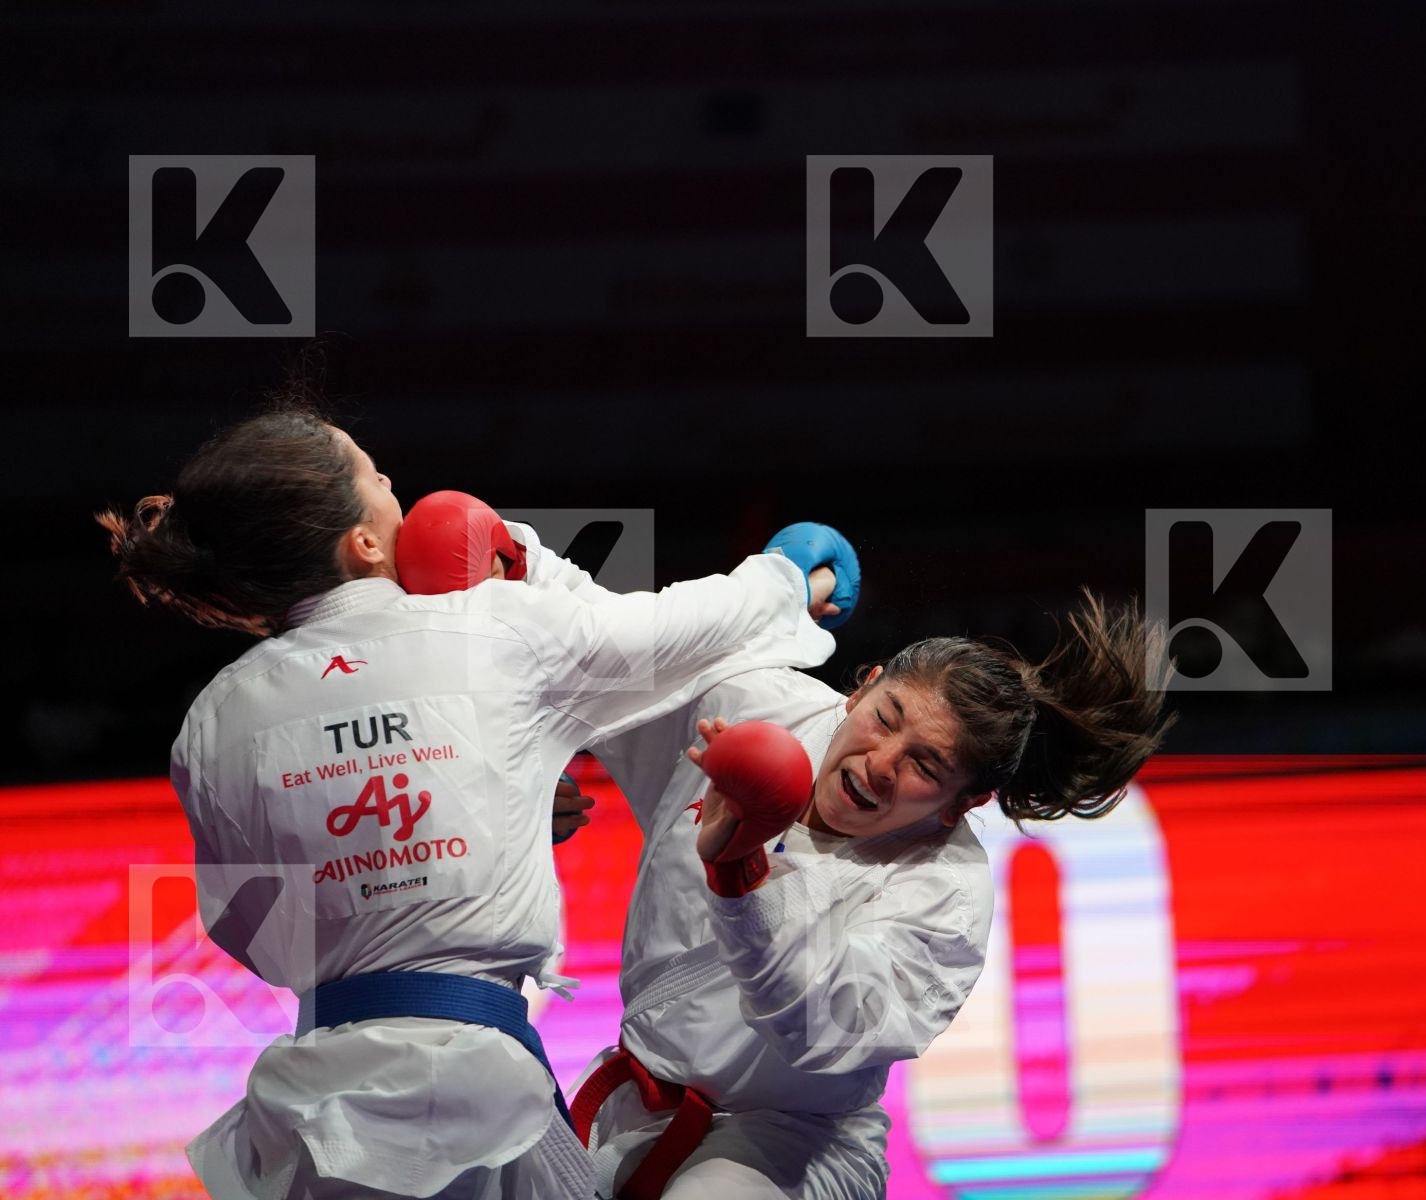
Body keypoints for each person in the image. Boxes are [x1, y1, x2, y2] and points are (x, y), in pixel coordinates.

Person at [96, 405, 855, 1200]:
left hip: (314, 1108)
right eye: (375, 477)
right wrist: (792, 572)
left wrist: (475, 821)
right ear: (362, 544)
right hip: (468, 1096)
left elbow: (254, 933)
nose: (395, 485)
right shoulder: (490, 625)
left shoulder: (214, 717)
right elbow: (688, 628)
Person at [567, 592, 1173, 1199]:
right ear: (862, 688)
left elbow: (822, 1031)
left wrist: (742, 880)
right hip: (630, 1102)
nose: (882, 763)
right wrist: (524, 785)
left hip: (797, 1143)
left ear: (962, 805)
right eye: (886, 718)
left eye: (926, 767)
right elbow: (573, 662)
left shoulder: (944, 894)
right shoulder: (755, 706)